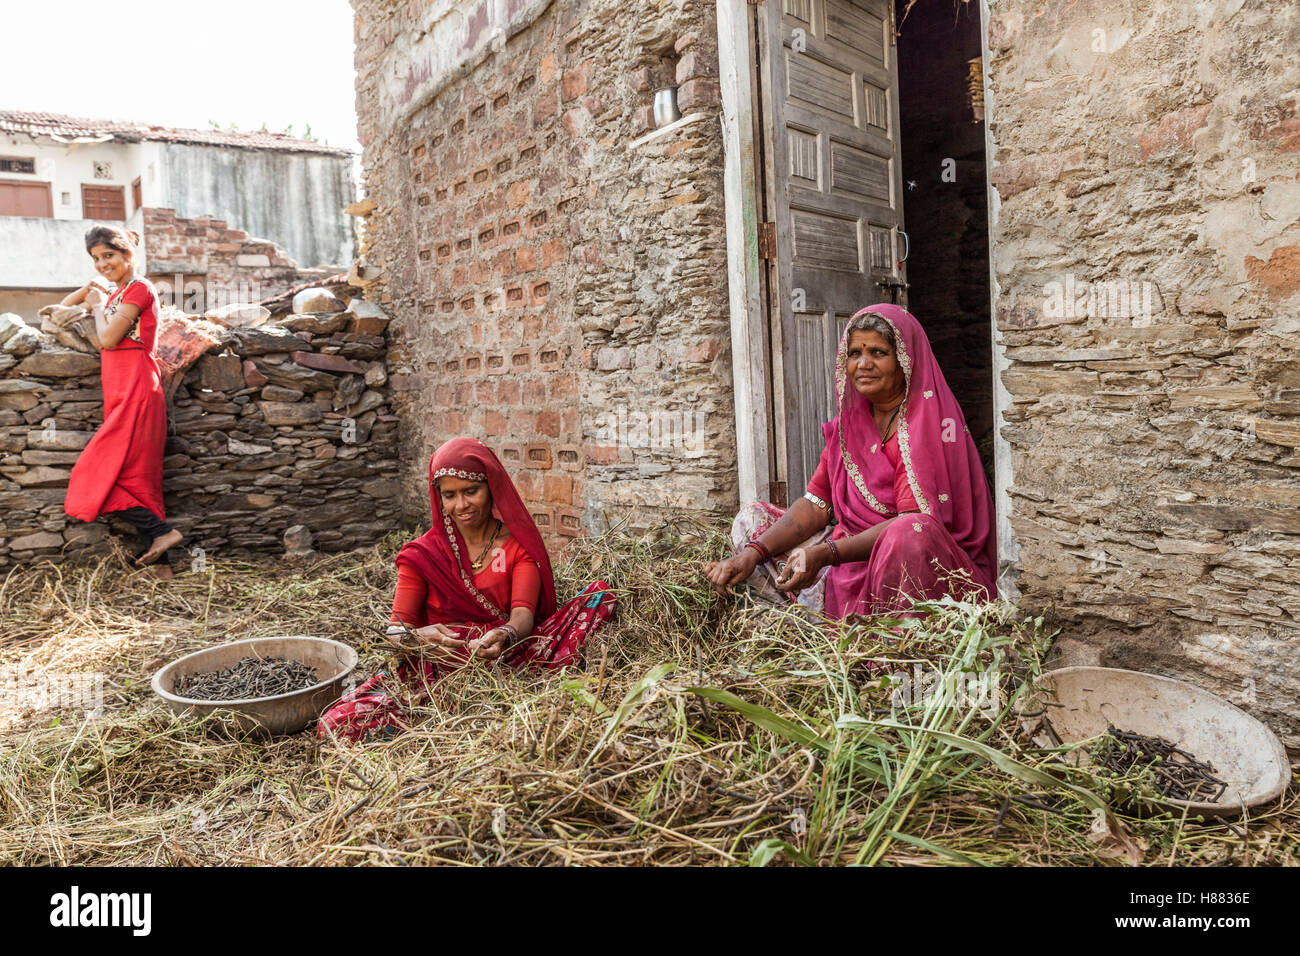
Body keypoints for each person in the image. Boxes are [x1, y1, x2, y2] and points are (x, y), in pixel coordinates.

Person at [705, 304, 996, 619]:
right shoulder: (851, 424)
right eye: (855, 353)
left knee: (908, 534)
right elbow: (818, 503)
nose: (863, 364)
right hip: (845, 552)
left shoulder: (931, 425)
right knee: (752, 518)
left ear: (905, 361)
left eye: (878, 353)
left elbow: (912, 524)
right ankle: (806, 628)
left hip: (906, 561)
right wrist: (752, 554)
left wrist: (825, 554)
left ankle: (886, 645)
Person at [318, 437, 617, 742]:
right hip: (436, 671)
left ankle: (501, 698)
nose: (460, 505)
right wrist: (418, 637)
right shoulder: (422, 555)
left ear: (491, 487)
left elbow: (523, 616)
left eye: (470, 492)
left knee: (598, 596)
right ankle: (450, 711)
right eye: (449, 495)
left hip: (508, 656)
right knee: (335, 724)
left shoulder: (517, 547)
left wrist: (505, 635)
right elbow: (396, 631)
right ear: (439, 498)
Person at [62, 225, 182, 575]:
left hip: (138, 388)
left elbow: (109, 340)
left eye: (109, 256)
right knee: (133, 479)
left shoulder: (140, 289)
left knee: (96, 474)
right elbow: (59, 309)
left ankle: (163, 533)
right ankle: (163, 569)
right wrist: (89, 289)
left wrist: (98, 305)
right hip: (118, 390)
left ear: (128, 254)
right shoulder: (116, 293)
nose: (102, 264)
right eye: (96, 259)